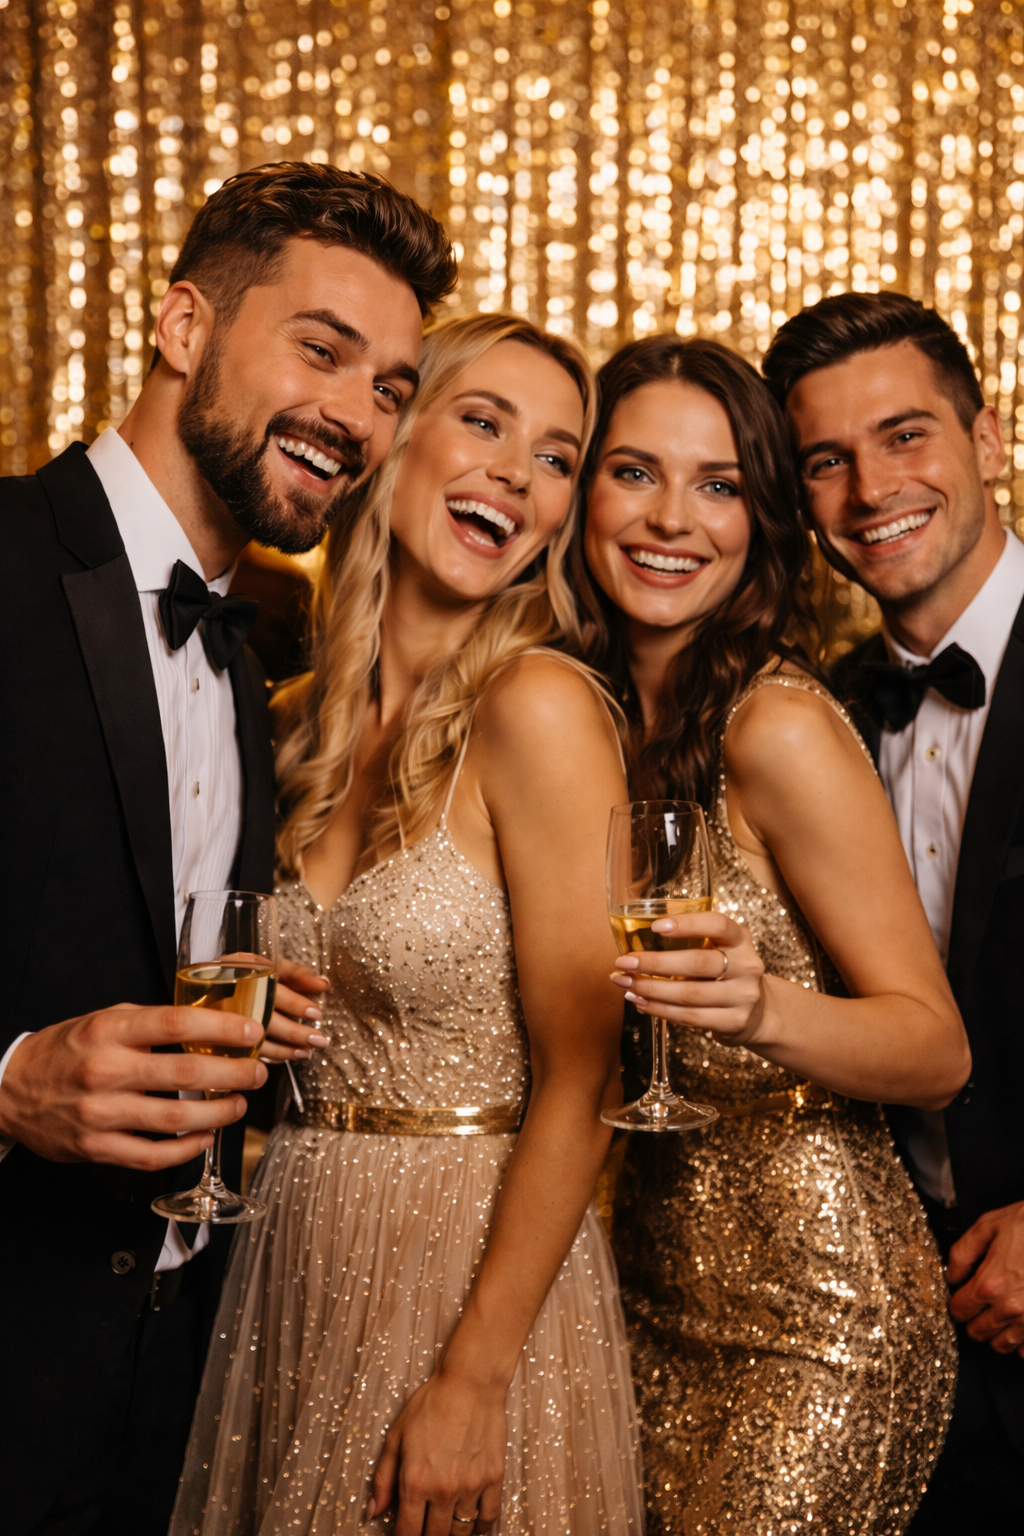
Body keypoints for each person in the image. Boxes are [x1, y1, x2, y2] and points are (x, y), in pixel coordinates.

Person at [0, 161, 455, 1536]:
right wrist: (7, 1086)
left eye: (391, 387)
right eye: (322, 350)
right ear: (183, 326)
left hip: (182, 1377)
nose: (357, 416)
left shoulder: (269, 651)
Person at [170, 313, 644, 1536]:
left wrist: (474, 1380)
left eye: (555, 457)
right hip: (295, 1250)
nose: (517, 475)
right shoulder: (280, 720)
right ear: (393, 436)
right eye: (483, 423)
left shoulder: (539, 707)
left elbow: (587, 1075)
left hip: (474, 1280)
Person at [564, 333, 971, 1534]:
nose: (670, 518)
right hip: (644, 1297)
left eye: (720, 484)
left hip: (816, 1327)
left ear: (760, 523)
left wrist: (761, 1011)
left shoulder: (776, 724)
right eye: (633, 472)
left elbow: (934, 1049)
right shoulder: (583, 718)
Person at [763, 291, 1024, 1533]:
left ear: (986, 439)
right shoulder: (815, 715)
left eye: (905, 436)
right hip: (901, 1347)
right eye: (827, 461)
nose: (871, 490)